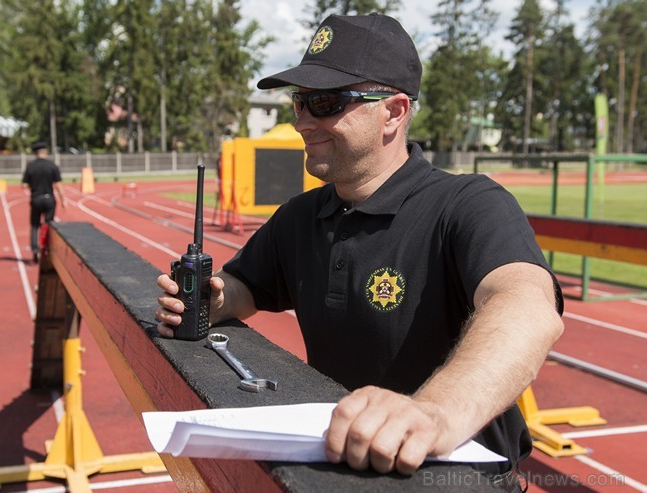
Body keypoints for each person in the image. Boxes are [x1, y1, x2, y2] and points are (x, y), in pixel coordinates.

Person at [155, 13, 563, 490]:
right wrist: (213, 300)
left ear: (393, 111)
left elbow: (527, 308)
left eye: (324, 102)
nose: (302, 121)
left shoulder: (469, 204)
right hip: (343, 473)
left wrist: (431, 413)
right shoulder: (300, 216)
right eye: (299, 102)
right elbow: (245, 285)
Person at [21, 141, 66, 263]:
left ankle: (35, 251)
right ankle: (48, 250)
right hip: (49, 199)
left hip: (36, 199)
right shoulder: (52, 166)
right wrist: (64, 200)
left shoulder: (30, 166)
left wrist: (33, 186)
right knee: (48, 225)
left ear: (35, 153)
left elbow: (24, 185)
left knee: (35, 226)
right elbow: (59, 185)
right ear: (45, 152)